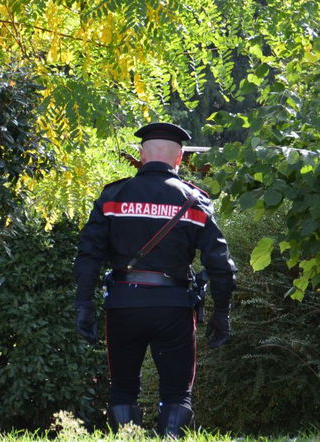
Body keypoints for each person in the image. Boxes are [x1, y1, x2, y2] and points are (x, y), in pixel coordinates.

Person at [73, 123, 236, 437]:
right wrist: (221, 313)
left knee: (123, 389)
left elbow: (88, 256)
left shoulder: (113, 196)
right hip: (173, 308)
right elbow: (221, 264)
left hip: (123, 305)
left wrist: (84, 306)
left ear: (140, 156)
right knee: (177, 393)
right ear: (180, 158)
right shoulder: (195, 200)